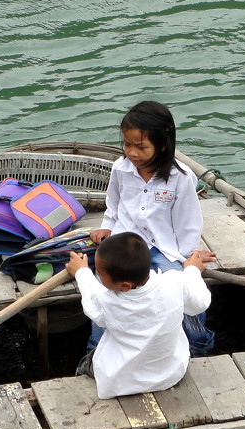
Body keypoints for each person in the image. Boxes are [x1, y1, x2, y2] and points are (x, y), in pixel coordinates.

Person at [88, 100, 215, 354]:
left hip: (165, 249)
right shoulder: (120, 170)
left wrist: (187, 259)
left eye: (141, 146)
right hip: (127, 245)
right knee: (107, 290)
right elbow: (113, 204)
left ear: (163, 145)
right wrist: (107, 227)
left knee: (184, 289)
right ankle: (96, 348)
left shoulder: (181, 178)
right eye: (127, 144)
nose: (132, 152)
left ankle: (197, 343)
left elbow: (188, 221)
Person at [67, 233, 215, 399]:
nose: (97, 275)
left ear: (125, 286)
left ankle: (80, 375)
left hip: (120, 382)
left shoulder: (109, 301)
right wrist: (193, 269)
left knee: (89, 360)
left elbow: (92, 298)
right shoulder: (175, 281)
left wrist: (81, 272)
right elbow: (199, 303)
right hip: (169, 374)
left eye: (99, 273)